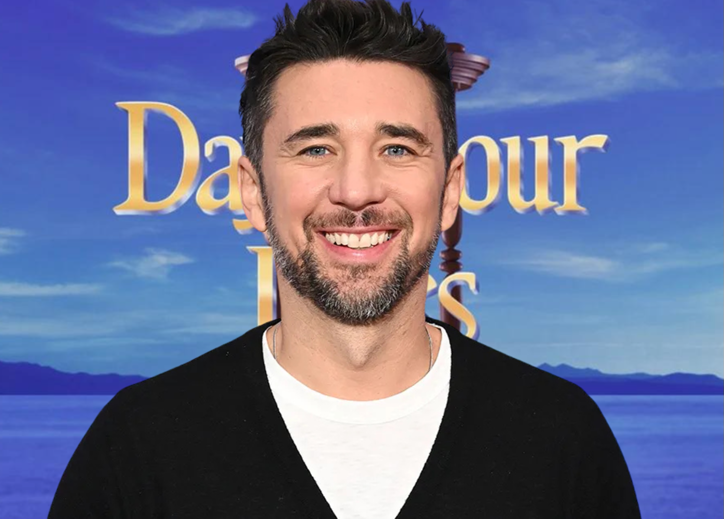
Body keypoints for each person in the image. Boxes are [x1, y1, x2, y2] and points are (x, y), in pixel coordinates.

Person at [48, 0, 642, 517]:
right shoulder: (138, 446)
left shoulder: (563, 438)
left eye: (397, 148)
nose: (356, 190)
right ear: (253, 192)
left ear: (450, 190)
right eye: (315, 148)